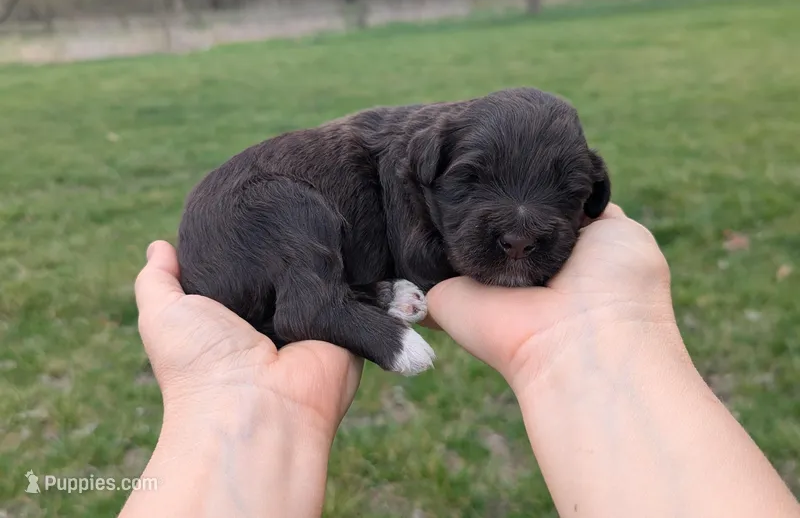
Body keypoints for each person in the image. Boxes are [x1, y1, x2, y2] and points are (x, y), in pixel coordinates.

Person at [119, 203, 800, 518]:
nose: (515, 231)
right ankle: (334, 309)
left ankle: (350, 299)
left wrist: (607, 327)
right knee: (299, 242)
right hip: (248, 230)